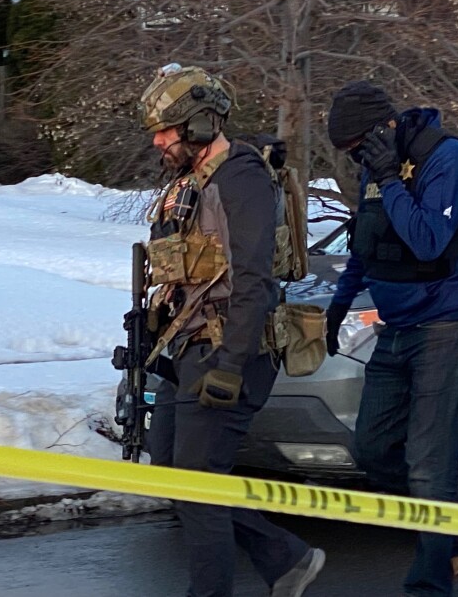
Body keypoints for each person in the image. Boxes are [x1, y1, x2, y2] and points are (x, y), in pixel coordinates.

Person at [138, 62, 325, 597]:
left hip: (232, 350)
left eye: (166, 131)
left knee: (198, 487)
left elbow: (252, 280)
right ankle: (286, 557)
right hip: (192, 346)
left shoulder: (241, 177)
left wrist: (230, 365)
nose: (158, 142)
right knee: (173, 472)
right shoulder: (192, 184)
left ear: (197, 125)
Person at [324, 80, 458, 596]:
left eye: (357, 145)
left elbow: (427, 240)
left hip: (448, 327)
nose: (355, 156)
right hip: (397, 329)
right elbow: (367, 243)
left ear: (384, 127)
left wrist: (389, 181)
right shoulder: (374, 170)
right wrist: (338, 305)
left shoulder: (452, 160)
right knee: (372, 449)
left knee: (428, 465)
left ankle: (429, 583)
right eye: (349, 151)